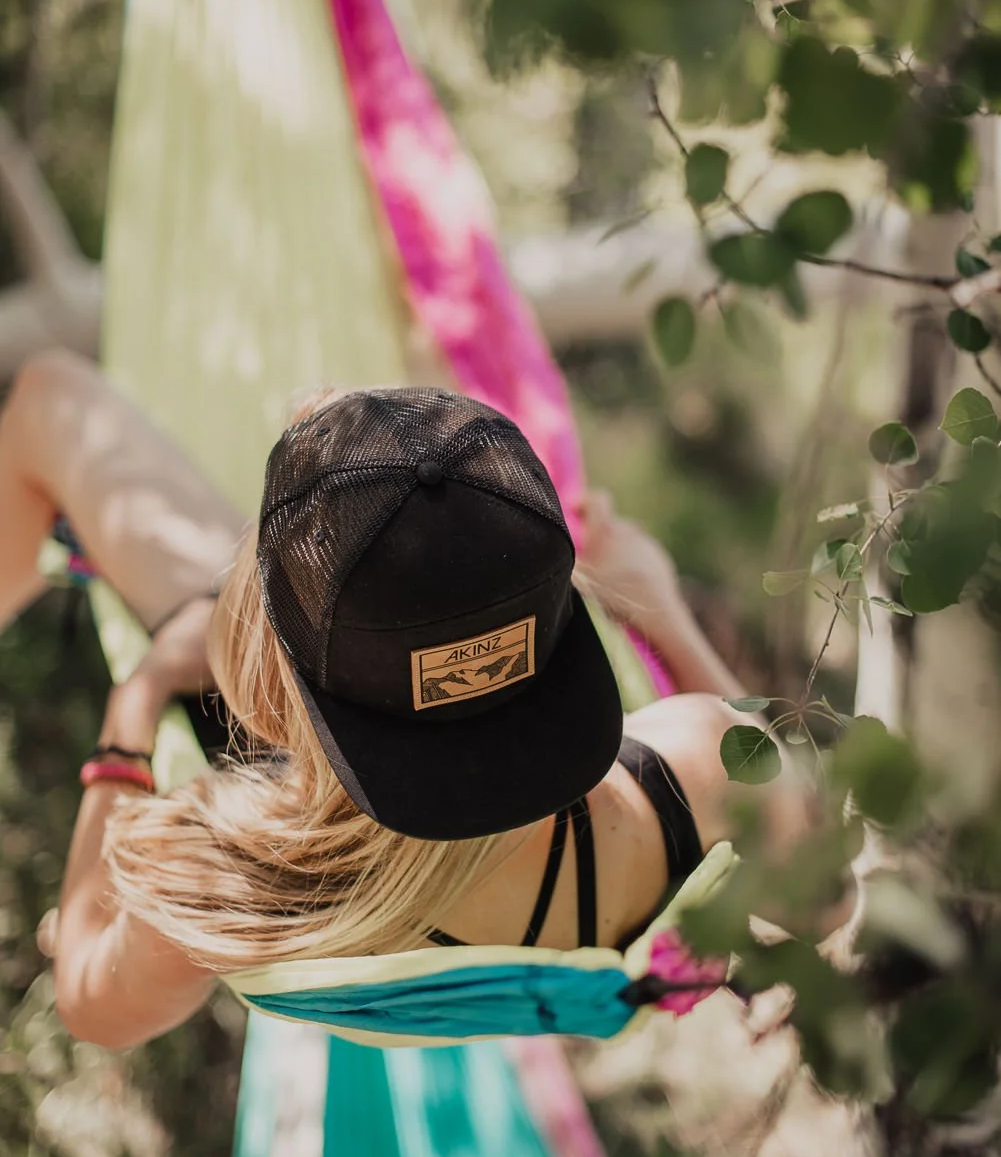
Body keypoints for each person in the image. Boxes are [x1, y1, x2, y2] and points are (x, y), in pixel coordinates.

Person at [0, 348, 848, 1057]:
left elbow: (91, 1005)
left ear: (269, 662)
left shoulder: (227, 875)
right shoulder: (710, 770)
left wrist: (138, 699)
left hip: (313, 829)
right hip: (527, 912)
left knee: (50, 397)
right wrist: (658, 607)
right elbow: (825, 902)